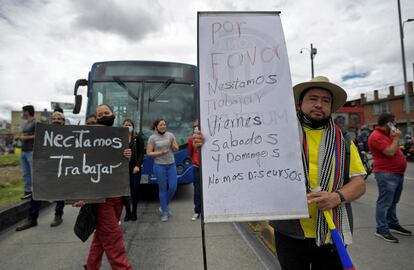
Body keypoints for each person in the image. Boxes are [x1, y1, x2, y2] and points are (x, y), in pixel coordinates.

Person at [193, 76, 366, 270]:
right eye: (313, 98)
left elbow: (359, 183)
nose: (319, 104)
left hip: (332, 234)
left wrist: (337, 196)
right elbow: (239, 151)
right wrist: (208, 142)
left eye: (325, 100)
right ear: (300, 103)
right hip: (289, 232)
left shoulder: (343, 139)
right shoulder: (276, 133)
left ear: (331, 107)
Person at [75, 104, 133, 270]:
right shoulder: (88, 139)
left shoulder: (120, 137)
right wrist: (79, 194)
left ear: (113, 114)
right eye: (100, 115)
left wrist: (127, 156)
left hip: (118, 197)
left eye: (106, 113)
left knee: (101, 237)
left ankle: (91, 266)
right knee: (113, 237)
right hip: (101, 198)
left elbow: (120, 166)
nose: (103, 116)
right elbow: (79, 167)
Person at [16, 111, 66, 231]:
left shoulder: (69, 134)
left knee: (61, 190)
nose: (57, 120)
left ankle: (58, 215)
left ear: (63, 121)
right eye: (54, 118)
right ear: (50, 121)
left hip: (63, 167)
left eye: (60, 118)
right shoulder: (43, 134)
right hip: (46, 167)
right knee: (37, 191)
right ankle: (32, 218)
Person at [368, 113, 412, 243]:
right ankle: (381, 229)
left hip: (397, 173)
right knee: (385, 202)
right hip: (386, 174)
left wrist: (394, 137)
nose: (396, 124)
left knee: (393, 201)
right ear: (388, 123)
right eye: (393, 122)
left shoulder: (388, 135)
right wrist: (396, 138)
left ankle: (392, 223)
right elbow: (390, 151)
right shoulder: (376, 136)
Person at [146, 119, 179, 222]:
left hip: (171, 164)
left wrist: (173, 145)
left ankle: (163, 205)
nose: (163, 126)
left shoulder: (170, 135)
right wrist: (160, 152)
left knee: (173, 187)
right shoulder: (152, 138)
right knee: (163, 189)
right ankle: (165, 212)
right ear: (156, 127)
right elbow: (149, 153)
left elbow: (176, 149)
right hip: (159, 165)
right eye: (161, 125)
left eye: (164, 124)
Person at [122, 119, 144, 222]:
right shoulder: (119, 138)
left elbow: (141, 153)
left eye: (129, 125)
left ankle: (134, 211)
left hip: (135, 168)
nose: (127, 126)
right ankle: (128, 212)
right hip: (123, 169)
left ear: (133, 126)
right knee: (126, 192)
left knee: (135, 190)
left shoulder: (138, 138)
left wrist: (138, 166)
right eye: (125, 125)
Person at [14, 105, 36, 200]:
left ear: (28, 112)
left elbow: (37, 135)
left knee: (32, 172)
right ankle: (27, 192)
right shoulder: (26, 123)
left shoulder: (35, 123)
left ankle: (34, 192)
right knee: (25, 172)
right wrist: (19, 136)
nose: (23, 113)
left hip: (31, 151)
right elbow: (25, 134)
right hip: (23, 150)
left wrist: (24, 138)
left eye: (24, 111)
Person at [188, 119, 201, 221]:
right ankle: (197, 211)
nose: (196, 127)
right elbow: (190, 153)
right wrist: (196, 161)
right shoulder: (190, 139)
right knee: (197, 191)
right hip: (196, 168)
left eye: (198, 125)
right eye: (195, 126)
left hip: (208, 169)